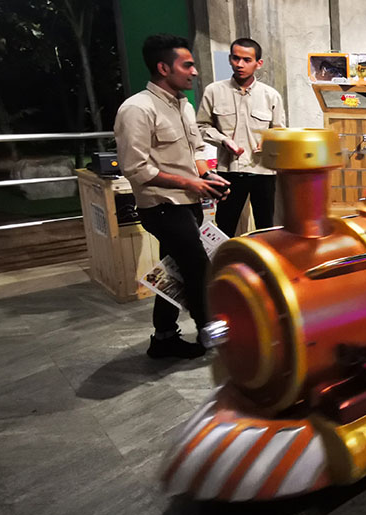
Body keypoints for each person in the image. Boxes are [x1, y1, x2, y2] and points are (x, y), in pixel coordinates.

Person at [114, 34, 231, 359]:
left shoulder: (184, 105)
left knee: (174, 270)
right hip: (162, 207)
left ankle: (164, 337)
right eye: (187, 65)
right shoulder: (136, 109)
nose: (194, 71)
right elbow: (135, 168)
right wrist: (189, 183)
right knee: (198, 268)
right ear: (164, 68)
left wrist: (206, 177)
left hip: (188, 203)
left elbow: (196, 150)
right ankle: (214, 336)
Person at [196, 38, 286, 236]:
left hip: (263, 171)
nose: (240, 64)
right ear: (230, 59)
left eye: (247, 60)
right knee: (225, 227)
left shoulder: (271, 95)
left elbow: (280, 131)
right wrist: (223, 140)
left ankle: (263, 257)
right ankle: (228, 256)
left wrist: (268, 142)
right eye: (236, 58)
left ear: (258, 63)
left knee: (266, 228)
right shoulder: (214, 91)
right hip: (229, 171)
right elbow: (201, 127)